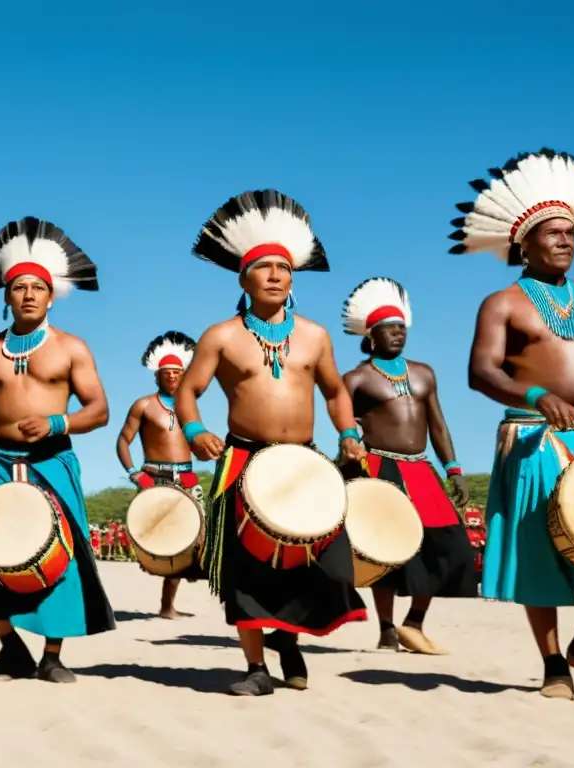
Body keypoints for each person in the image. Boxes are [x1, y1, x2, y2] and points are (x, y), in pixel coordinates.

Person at [175, 189, 368, 696]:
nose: (277, 276)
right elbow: (188, 393)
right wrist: (195, 431)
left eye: (285, 268)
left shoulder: (315, 335)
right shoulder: (221, 336)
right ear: (244, 278)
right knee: (246, 569)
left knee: (317, 561)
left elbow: (334, 392)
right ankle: (256, 668)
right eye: (265, 268)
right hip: (242, 459)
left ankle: (289, 641)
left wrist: (349, 434)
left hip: (304, 463)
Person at [0, 216, 115, 683]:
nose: (29, 294)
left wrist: (58, 421)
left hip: (51, 461)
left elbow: (99, 411)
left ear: (51, 296)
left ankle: (52, 656)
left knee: (63, 554)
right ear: (6, 296)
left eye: (38, 287)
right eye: (20, 288)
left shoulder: (72, 348)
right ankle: (10, 646)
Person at [456, 149, 574, 699]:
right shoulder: (503, 304)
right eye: (552, 233)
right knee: (540, 555)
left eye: (571, 232)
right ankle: (554, 666)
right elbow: (480, 372)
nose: (565, 240)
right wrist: (538, 395)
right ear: (524, 242)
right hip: (534, 437)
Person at [341, 277, 478, 654]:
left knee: (452, 547)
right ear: (372, 336)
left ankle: (413, 623)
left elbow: (438, 423)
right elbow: (343, 422)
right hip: (380, 468)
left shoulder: (424, 373)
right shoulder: (356, 378)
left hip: (421, 470)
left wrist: (453, 468)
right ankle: (386, 629)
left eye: (402, 328)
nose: (398, 334)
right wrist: (349, 445)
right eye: (390, 329)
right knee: (386, 550)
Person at [116, 331, 204, 618]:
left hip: (188, 478)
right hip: (156, 478)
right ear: (157, 375)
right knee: (167, 540)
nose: (172, 377)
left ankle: (169, 605)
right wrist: (133, 473)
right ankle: (167, 606)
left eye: (178, 373)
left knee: (194, 540)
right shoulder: (143, 405)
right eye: (167, 373)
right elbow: (122, 441)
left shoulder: (190, 406)